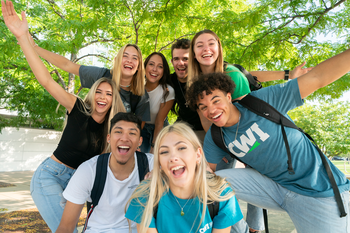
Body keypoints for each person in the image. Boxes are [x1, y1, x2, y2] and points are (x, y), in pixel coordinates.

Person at [186, 47, 350, 232]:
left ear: (229, 96)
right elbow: (212, 177)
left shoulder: (261, 102)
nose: (212, 110)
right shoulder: (215, 138)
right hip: (275, 189)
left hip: (318, 191)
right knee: (208, 182)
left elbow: (317, 78)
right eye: (203, 107)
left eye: (216, 100)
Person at [1, 1, 124, 232]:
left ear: (112, 101)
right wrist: (22, 38)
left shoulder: (111, 129)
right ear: (92, 93)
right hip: (51, 176)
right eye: (98, 91)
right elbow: (46, 80)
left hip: (79, 184)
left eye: (108, 94)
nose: (103, 97)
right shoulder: (77, 107)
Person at [126, 123, 245, 233]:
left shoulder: (220, 194)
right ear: (160, 162)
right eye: (164, 152)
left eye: (181, 148)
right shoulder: (146, 195)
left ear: (198, 155)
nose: (173, 157)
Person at [25, 27, 150, 122]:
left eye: (135, 58)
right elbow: (68, 65)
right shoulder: (102, 75)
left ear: (139, 66)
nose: (129, 60)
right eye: (125, 56)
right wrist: (35, 47)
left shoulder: (141, 94)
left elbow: (139, 125)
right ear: (117, 60)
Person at [56, 112, 154, 233]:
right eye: (118, 132)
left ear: (140, 141)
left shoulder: (151, 164)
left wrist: (160, 174)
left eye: (132, 133)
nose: (124, 138)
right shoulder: (89, 170)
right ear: (108, 138)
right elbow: (66, 227)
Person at [140, 52, 175, 153]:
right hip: (141, 127)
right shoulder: (138, 87)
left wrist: (153, 146)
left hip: (160, 127)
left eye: (160, 66)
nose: (154, 69)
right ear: (145, 66)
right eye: (151, 64)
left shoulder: (167, 91)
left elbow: (159, 122)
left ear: (164, 71)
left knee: (158, 158)